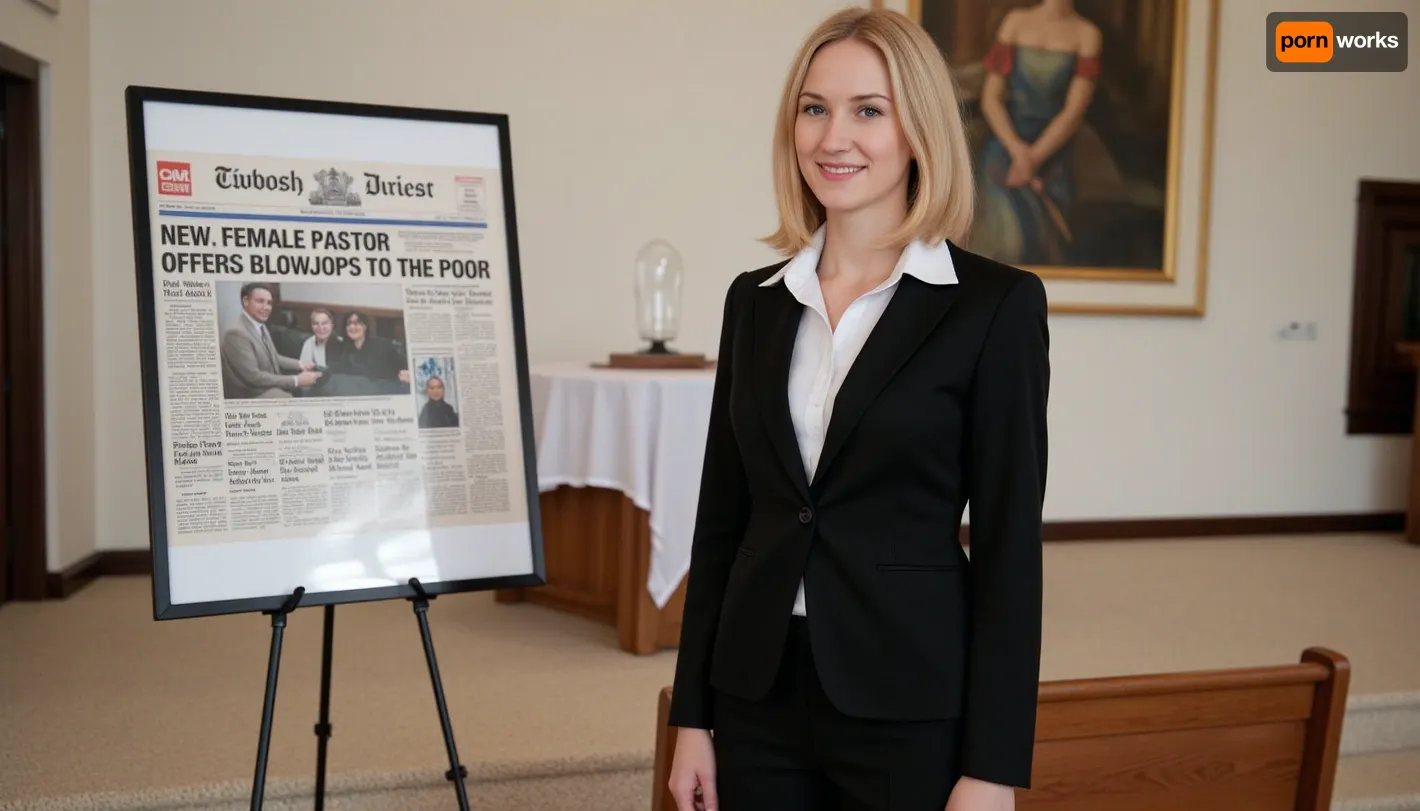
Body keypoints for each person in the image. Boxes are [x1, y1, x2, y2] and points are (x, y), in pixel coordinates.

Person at [665, 7, 1048, 811]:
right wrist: (693, 716)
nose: (833, 137)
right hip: (756, 690)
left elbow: (1010, 550)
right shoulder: (755, 301)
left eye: (868, 110)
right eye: (815, 108)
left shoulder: (995, 306)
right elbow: (722, 520)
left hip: (907, 697)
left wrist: (993, 766)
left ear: (919, 130)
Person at [219, 282, 321, 399]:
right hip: (253, 395)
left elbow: (273, 357)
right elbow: (254, 378)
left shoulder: (260, 324)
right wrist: (296, 380)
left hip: (269, 386)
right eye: (260, 301)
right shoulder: (235, 333)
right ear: (246, 301)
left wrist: (300, 364)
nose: (266, 307)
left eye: (269, 303)